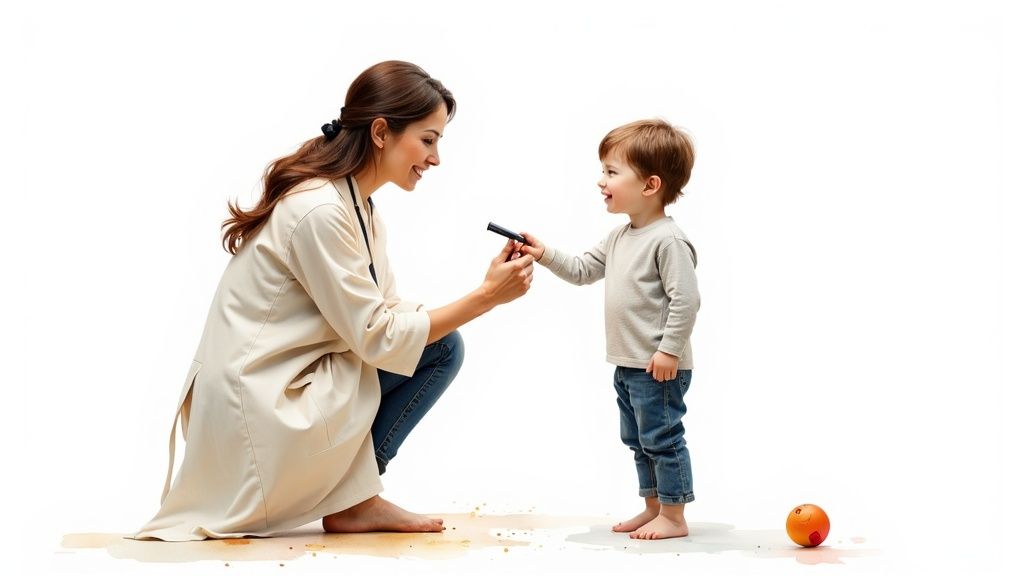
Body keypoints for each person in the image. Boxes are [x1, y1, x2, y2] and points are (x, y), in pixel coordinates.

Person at [134, 60, 534, 541]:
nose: (435, 159)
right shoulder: (319, 209)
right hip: (260, 403)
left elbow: (385, 312)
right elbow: (378, 336)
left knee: (440, 344)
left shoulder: (358, 206)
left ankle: (356, 497)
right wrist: (487, 297)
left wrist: (483, 290)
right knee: (440, 346)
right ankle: (357, 501)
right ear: (382, 132)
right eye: (428, 140)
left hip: (282, 383)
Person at [518, 119, 698, 540]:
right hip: (628, 363)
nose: (601, 181)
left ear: (650, 185)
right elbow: (582, 270)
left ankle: (674, 515)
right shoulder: (620, 236)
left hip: (658, 366)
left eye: (612, 172)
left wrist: (669, 350)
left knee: (662, 438)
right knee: (637, 439)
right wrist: (543, 254)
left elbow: (686, 301)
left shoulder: (668, 241)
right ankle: (653, 506)